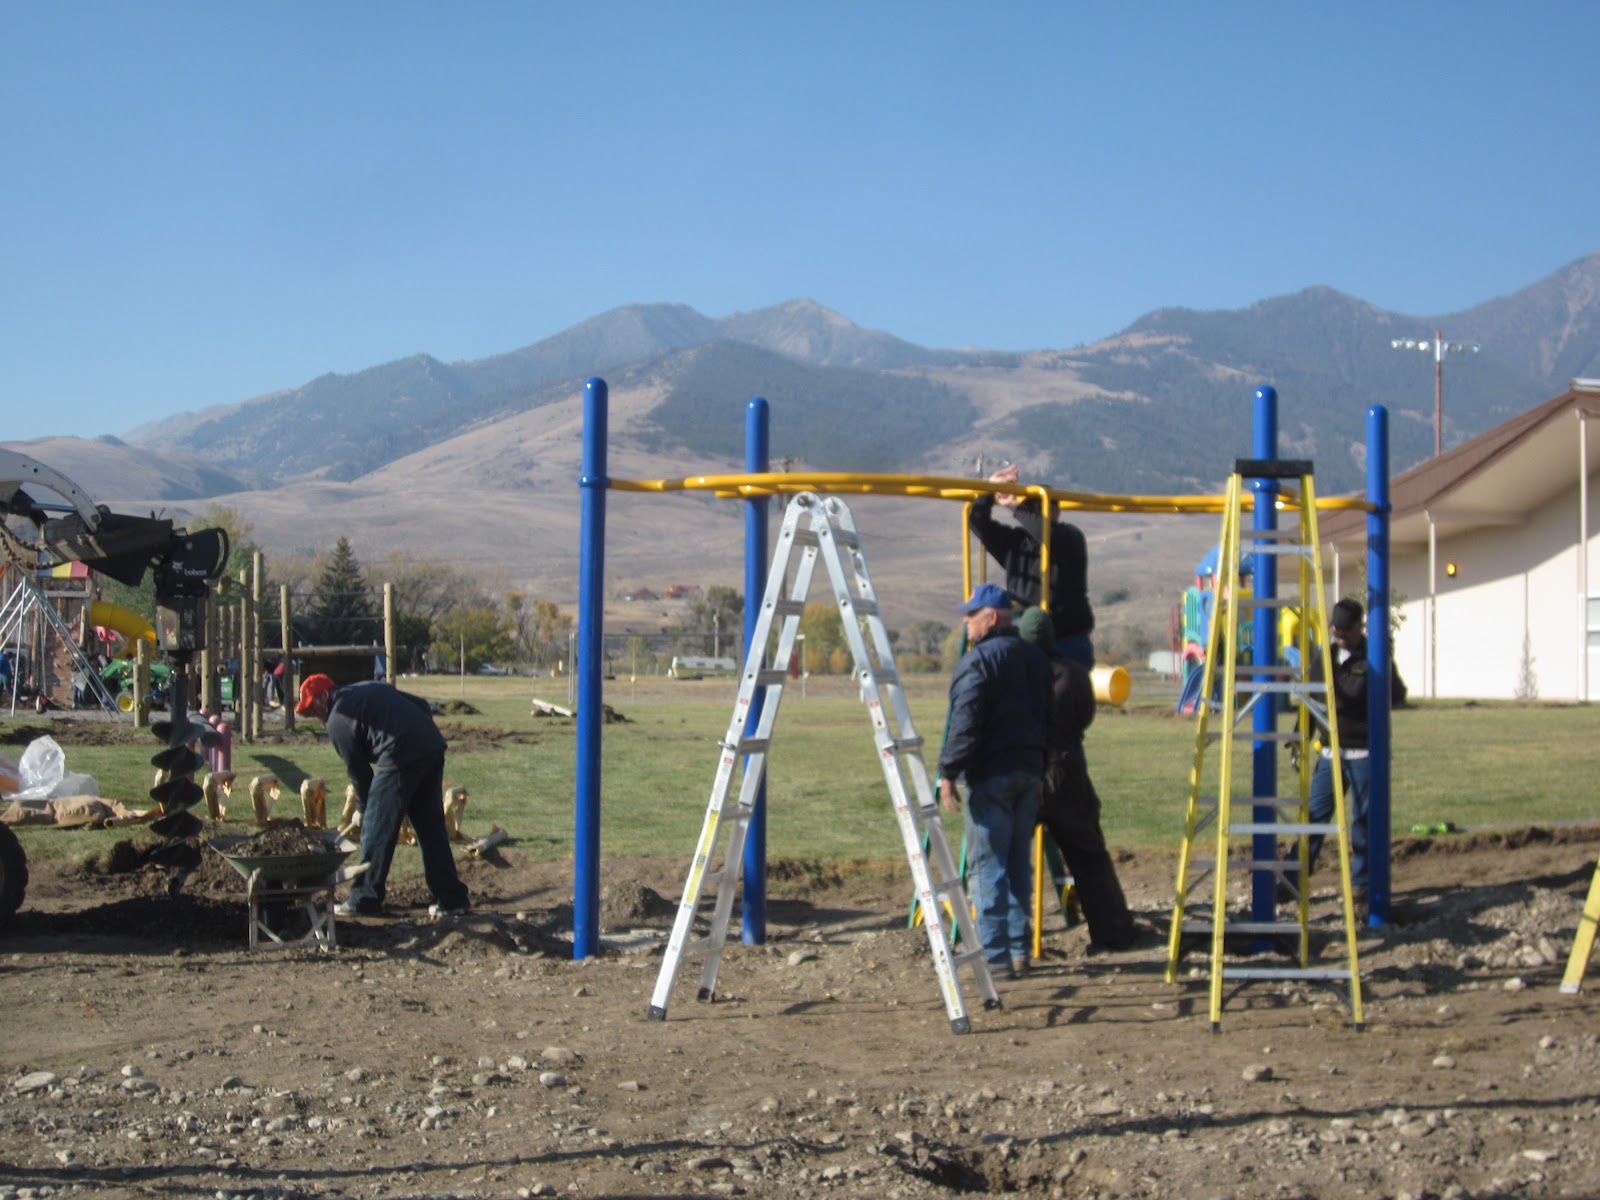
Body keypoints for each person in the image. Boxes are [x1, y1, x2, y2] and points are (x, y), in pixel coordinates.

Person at [936, 582, 1055, 980]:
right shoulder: (1035, 659)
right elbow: (1049, 720)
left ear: (991, 618)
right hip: (1030, 771)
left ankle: (996, 957)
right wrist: (1042, 766)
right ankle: (1020, 952)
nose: (965, 622)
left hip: (991, 775)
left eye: (970, 615)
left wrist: (948, 771)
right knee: (1018, 863)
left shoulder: (978, 661)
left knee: (988, 867)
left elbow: (965, 721)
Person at [294, 673, 471, 919]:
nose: (315, 714)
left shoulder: (337, 719)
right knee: (430, 828)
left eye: (314, 707)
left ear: (325, 695)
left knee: (376, 828)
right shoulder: (365, 687)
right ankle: (452, 899)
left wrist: (366, 812)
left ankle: (364, 898)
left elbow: (359, 774)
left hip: (399, 752)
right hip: (430, 744)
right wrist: (419, 738)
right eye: (308, 712)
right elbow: (419, 704)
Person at [1015, 607, 1139, 951]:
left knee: (1010, 857)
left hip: (1028, 776)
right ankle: (1113, 933)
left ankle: (1010, 943)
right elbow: (1084, 718)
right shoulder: (1075, 675)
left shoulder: (1018, 678)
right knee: (1088, 857)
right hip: (1068, 774)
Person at [969, 462, 1096, 668]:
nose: (1040, 512)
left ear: (1056, 511)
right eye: (1033, 507)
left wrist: (1013, 505)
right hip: (1026, 639)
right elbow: (977, 523)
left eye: (1046, 506)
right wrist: (989, 490)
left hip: (1067, 641)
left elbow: (1044, 531)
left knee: (1066, 694)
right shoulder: (1016, 543)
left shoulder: (1069, 537)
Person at [1291, 598, 1374, 903]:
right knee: (1313, 817)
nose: (1340, 637)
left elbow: (1356, 693)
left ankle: (1362, 885)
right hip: (1330, 753)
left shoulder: (1372, 657)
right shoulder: (1323, 657)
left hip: (1364, 752)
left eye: (1345, 631)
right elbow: (1311, 700)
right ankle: (1293, 879)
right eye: (1335, 630)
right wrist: (1300, 734)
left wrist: (1334, 685)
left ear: (1358, 627)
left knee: (1363, 822)